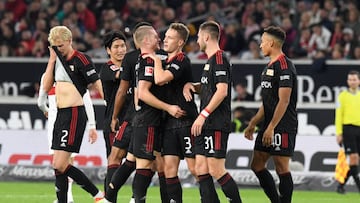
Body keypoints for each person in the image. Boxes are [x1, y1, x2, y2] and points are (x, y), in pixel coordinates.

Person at [103, 22, 169, 203]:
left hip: (144, 117)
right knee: (138, 160)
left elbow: (123, 90)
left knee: (140, 160)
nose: (160, 39)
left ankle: (117, 198)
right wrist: (116, 116)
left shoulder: (155, 57)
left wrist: (115, 116)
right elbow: (123, 90)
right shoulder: (136, 58)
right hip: (140, 117)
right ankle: (115, 198)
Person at [41, 25, 104, 203]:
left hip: (74, 114)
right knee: (58, 166)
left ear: (69, 41)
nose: (57, 50)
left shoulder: (81, 59)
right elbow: (45, 87)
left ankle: (97, 195)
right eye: (54, 47)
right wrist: (52, 60)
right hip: (59, 117)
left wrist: (106, 108)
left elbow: (95, 85)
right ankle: (66, 200)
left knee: (61, 164)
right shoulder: (55, 63)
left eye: (60, 46)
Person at [183, 20, 242, 203]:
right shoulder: (210, 61)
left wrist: (203, 114)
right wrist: (193, 86)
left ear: (206, 37)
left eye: (199, 37)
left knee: (216, 169)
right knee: (201, 168)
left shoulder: (219, 58)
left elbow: (222, 90)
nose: (197, 40)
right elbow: (210, 87)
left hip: (215, 122)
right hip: (206, 123)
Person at [143, 22, 198, 202]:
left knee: (196, 169)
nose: (165, 40)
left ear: (180, 42)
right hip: (169, 123)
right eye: (165, 37)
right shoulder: (166, 60)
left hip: (186, 121)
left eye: (170, 38)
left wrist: (156, 60)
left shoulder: (182, 60)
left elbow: (160, 79)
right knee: (169, 170)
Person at [244, 26, 298, 203]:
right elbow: (268, 102)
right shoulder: (268, 66)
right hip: (268, 124)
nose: (260, 46)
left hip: (282, 125)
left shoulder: (284, 66)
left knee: (281, 167)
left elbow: (284, 101)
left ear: (272, 43)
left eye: (262, 42)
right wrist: (253, 123)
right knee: (257, 164)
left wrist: (272, 127)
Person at [131, 25, 185, 203]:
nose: (161, 39)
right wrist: (167, 107)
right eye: (157, 36)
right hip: (149, 120)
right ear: (146, 40)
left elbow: (140, 89)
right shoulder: (149, 60)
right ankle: (132, 200)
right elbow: (144, 92)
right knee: (144, 164)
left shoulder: (152, 58)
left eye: (167, 37)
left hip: (155, 121)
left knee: (158, 165)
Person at [37, 75, 97, 203]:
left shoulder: (71, 74)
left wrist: (92, 124)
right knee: (57, 163)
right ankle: (64, 198)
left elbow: (86, 100)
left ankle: (71, 197)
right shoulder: (47, 76)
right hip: (54, 125)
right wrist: (46, 109)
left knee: (67, 161)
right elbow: (42, 101)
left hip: (70, 121)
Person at [99, 30, 127, 203]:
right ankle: (110, 200)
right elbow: (122, 75)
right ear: (108, 50)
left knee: (141, 162)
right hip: (114, 123)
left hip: (133, 120)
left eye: (123, 45)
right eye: (116, 47)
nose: (120, 50)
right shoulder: (107, 68)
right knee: (113, 164)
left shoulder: (131, 65)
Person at [335, 70, 360, 194]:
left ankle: (341, 184)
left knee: (356, 161)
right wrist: (339, 132)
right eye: (350, 79)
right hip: (348, 129)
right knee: (354, 158)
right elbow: (338, 115)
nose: (352, 81)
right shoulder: (342, 96)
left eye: (354, 79)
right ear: (347, 81)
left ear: (359, 81)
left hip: (359, 129)